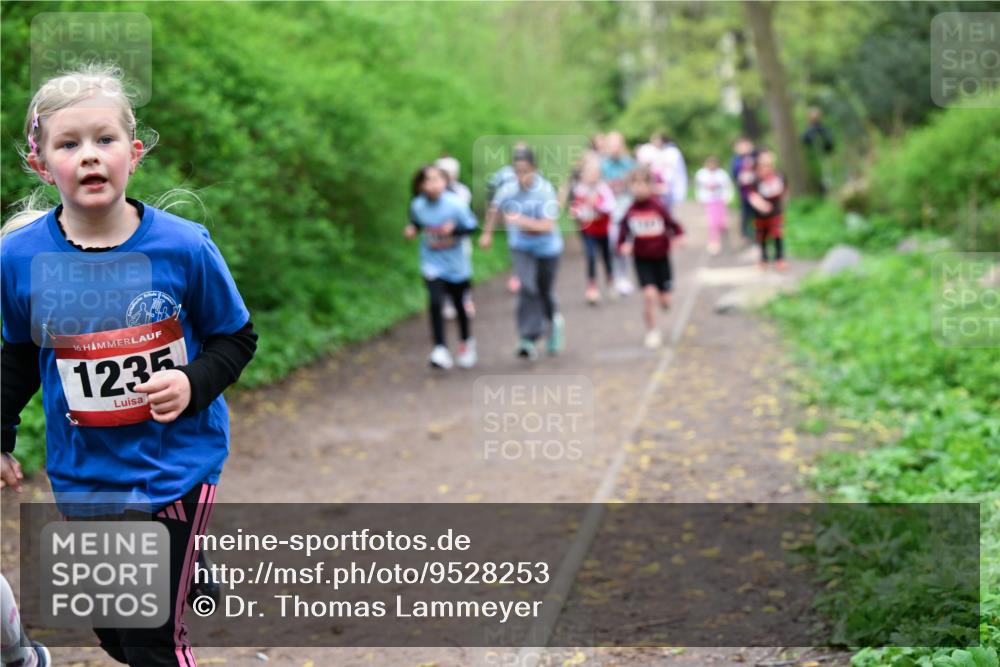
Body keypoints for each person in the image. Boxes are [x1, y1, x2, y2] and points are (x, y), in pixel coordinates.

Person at [1, 63, 257, 666]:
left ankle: (178, 567)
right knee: (115, 634)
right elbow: (15, 354)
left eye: (104, 139)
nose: (89, 156)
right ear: (42, 164)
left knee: (151, 646)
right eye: (69, 144)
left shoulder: (184, 246)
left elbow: (236, 337)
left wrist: (193, 382)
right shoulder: (18, 257)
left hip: (174, 465)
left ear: (133, 153)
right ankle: (186, 573)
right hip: (85, 471)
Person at [480, 147, 564, 360]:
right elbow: (494, 209)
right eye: (517, 171)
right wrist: (487, 234)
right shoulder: (507, 189)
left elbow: (547, 225)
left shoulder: (545, 191)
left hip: (547, 249)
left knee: (544, 291)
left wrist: (520, 220)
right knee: (527, 287)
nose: (521, 176)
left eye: (525, 170)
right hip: (521, 247)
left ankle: (553, 323)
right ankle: (527, 337)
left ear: (534, 169)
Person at [405, 164, 478, 369]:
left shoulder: (455, 204)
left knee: (458, 306)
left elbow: (472, 226)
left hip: (457, 265)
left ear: (445, 182)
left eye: (437, 179)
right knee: (435, 302)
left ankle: (466, 343)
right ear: (420, 185)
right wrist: (411, 229)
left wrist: (454, 231)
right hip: (432, 263)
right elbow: (416, 222)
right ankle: (440, 348)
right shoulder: (417, 205)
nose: (433, 185)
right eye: (428, 180)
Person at [618, 166, 684, 350]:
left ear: (651, 186)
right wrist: (623, 245)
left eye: (643, 184)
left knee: (665, 299)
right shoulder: (630, 210)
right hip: (642, 259)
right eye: (635, 184)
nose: (639, 188)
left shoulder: (658, 206)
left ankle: (665, 299)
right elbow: (623, 232)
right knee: (648, 295)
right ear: (630, 187)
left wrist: (679, 237)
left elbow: (673, 225)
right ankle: (652, 331)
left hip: (661, 258)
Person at [568, 153, 616, 304]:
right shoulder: (580, 191)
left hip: (603, 230)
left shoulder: (603, 189)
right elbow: (576, 208)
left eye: (594, 173)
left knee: (607, 256)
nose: (590, 177)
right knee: (590, 256)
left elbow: (610, 206)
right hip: (589, 231)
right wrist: (575, 212)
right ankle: (592, 287)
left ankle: (610, 280)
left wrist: (598, 205)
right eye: (587, 174)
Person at [434, 156, 476, 319]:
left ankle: (465, 301)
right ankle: (448, 303)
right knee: (441, 272)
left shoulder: (462, 191)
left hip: (459, 239)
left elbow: (462, 217)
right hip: (438, 240)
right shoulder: (433, 195)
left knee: (462, 270)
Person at [483, 143, 526, 294]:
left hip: (529, 216)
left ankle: (525, 273)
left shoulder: (534, 173)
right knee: (515, 243)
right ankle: (517, 274)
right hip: (511, 216)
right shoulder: (503, 173)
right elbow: (492, 190)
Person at [600, 131, 636, 296]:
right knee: (614, 246)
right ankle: (615, 278)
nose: (614, 149)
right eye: (611, 145)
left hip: (627, 212)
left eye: (617, 145)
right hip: (610, 214)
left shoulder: (630, 164)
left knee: (627, 246)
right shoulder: (601, 165)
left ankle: (626, 278)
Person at [747, 150, 788, 272]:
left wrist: (784, 203)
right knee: (762, 237)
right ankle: (764, 259)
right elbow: (752, 195)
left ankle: (780, 259)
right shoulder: (756, 178)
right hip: (761, 215)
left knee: (778, 235)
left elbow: (785, 191)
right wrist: (762, 205)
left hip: (776, 212)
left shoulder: (779, 175)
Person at [695, 155, 735, 255]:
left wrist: (728, 198)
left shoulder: (722, 174)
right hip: (709, 200)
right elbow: (698, 187)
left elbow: (728, 186)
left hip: (720, 199)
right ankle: (714, 242)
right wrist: (700, 198)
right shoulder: (701, 174)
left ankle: (722, 230)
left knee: (720, 221)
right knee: (712, 222)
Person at [801, 107, 834, 195]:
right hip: (814, 162)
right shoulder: (808, 132)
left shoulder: (823, 130)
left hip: (823, 159)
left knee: (826, 181)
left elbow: (830, 144)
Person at [730, 138, 757, 243]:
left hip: (755, 190)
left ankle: (756, 232)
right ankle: (744, 233)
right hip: (744, 192)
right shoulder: (736, 160)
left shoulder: (754, 157)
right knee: (745, 213)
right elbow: (734, 174)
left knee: (755, 213)